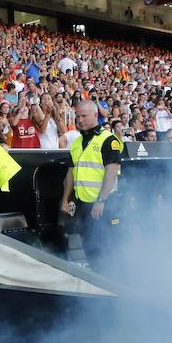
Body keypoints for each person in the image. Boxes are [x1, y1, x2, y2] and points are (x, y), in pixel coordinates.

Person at [60, 100, 122, 267]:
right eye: (77, 116)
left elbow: (111, 172)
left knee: (107, 247)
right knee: (89, 246)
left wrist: (101, 201)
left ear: (95, 115)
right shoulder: (77, 144)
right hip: (83, 205)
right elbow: (70, 173)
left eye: (84, 116)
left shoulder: (108, 140)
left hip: (104, 205)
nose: (79, 120)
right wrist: (65, 199)